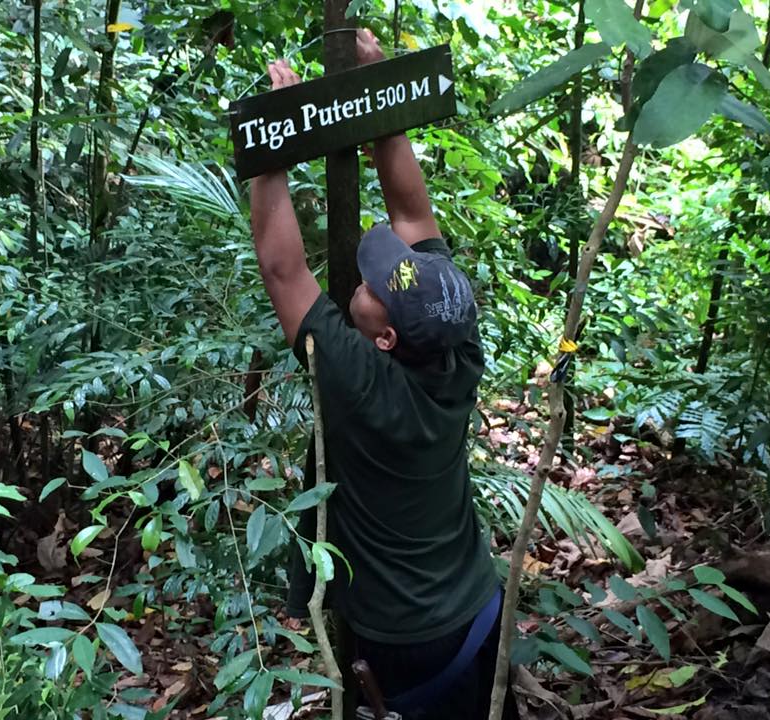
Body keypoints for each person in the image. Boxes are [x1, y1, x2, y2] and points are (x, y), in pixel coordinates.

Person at [249, 29, 518, 720]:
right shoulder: (454, 342)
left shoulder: (362, 384)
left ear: (386, 338)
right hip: (476, 608)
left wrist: (273, 141)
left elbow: (284, 269)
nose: (370, 277)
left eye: (374, 287)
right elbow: (413, 212)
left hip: (407, 637)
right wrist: (380, 90)